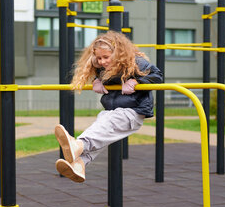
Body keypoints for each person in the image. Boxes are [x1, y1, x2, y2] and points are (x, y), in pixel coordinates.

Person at [55, 30, 163, 182]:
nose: (102, 62)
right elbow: (99, 74)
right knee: (101, 131)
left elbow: (157, 76)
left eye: (106, 57)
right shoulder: (103, 68)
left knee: (106, 125)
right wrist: (96, 81)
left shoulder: (136, 62)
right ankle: (80, 164)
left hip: (133, 112)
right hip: (113, 111)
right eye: (98, 58)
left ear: (118, 53)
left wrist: (137, 82)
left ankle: (79, 144)